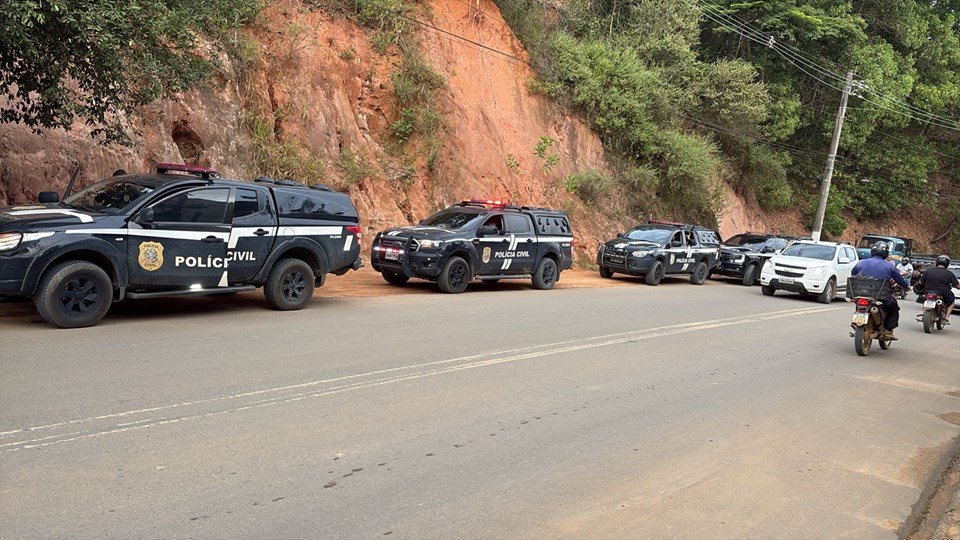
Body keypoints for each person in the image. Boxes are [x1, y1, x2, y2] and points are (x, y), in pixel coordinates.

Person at [852, 242, 910, 340]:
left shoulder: (861, 263)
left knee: (859, 305)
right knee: (894, 308)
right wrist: (906, 287)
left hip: (861, 293)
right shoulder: (890, 266)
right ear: (886, 253)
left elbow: (853, 274)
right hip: (881, 296)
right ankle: (888, 331)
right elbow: (900, 280)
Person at [916, 255, 958, 322]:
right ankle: (946, 318)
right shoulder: (949, 273)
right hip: (943, 293)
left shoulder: (928, 271)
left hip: (928, 292)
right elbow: (957, 286)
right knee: (952, 301)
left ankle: (924, 315)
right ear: (947, 263)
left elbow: (920, 282)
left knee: (925, 299)